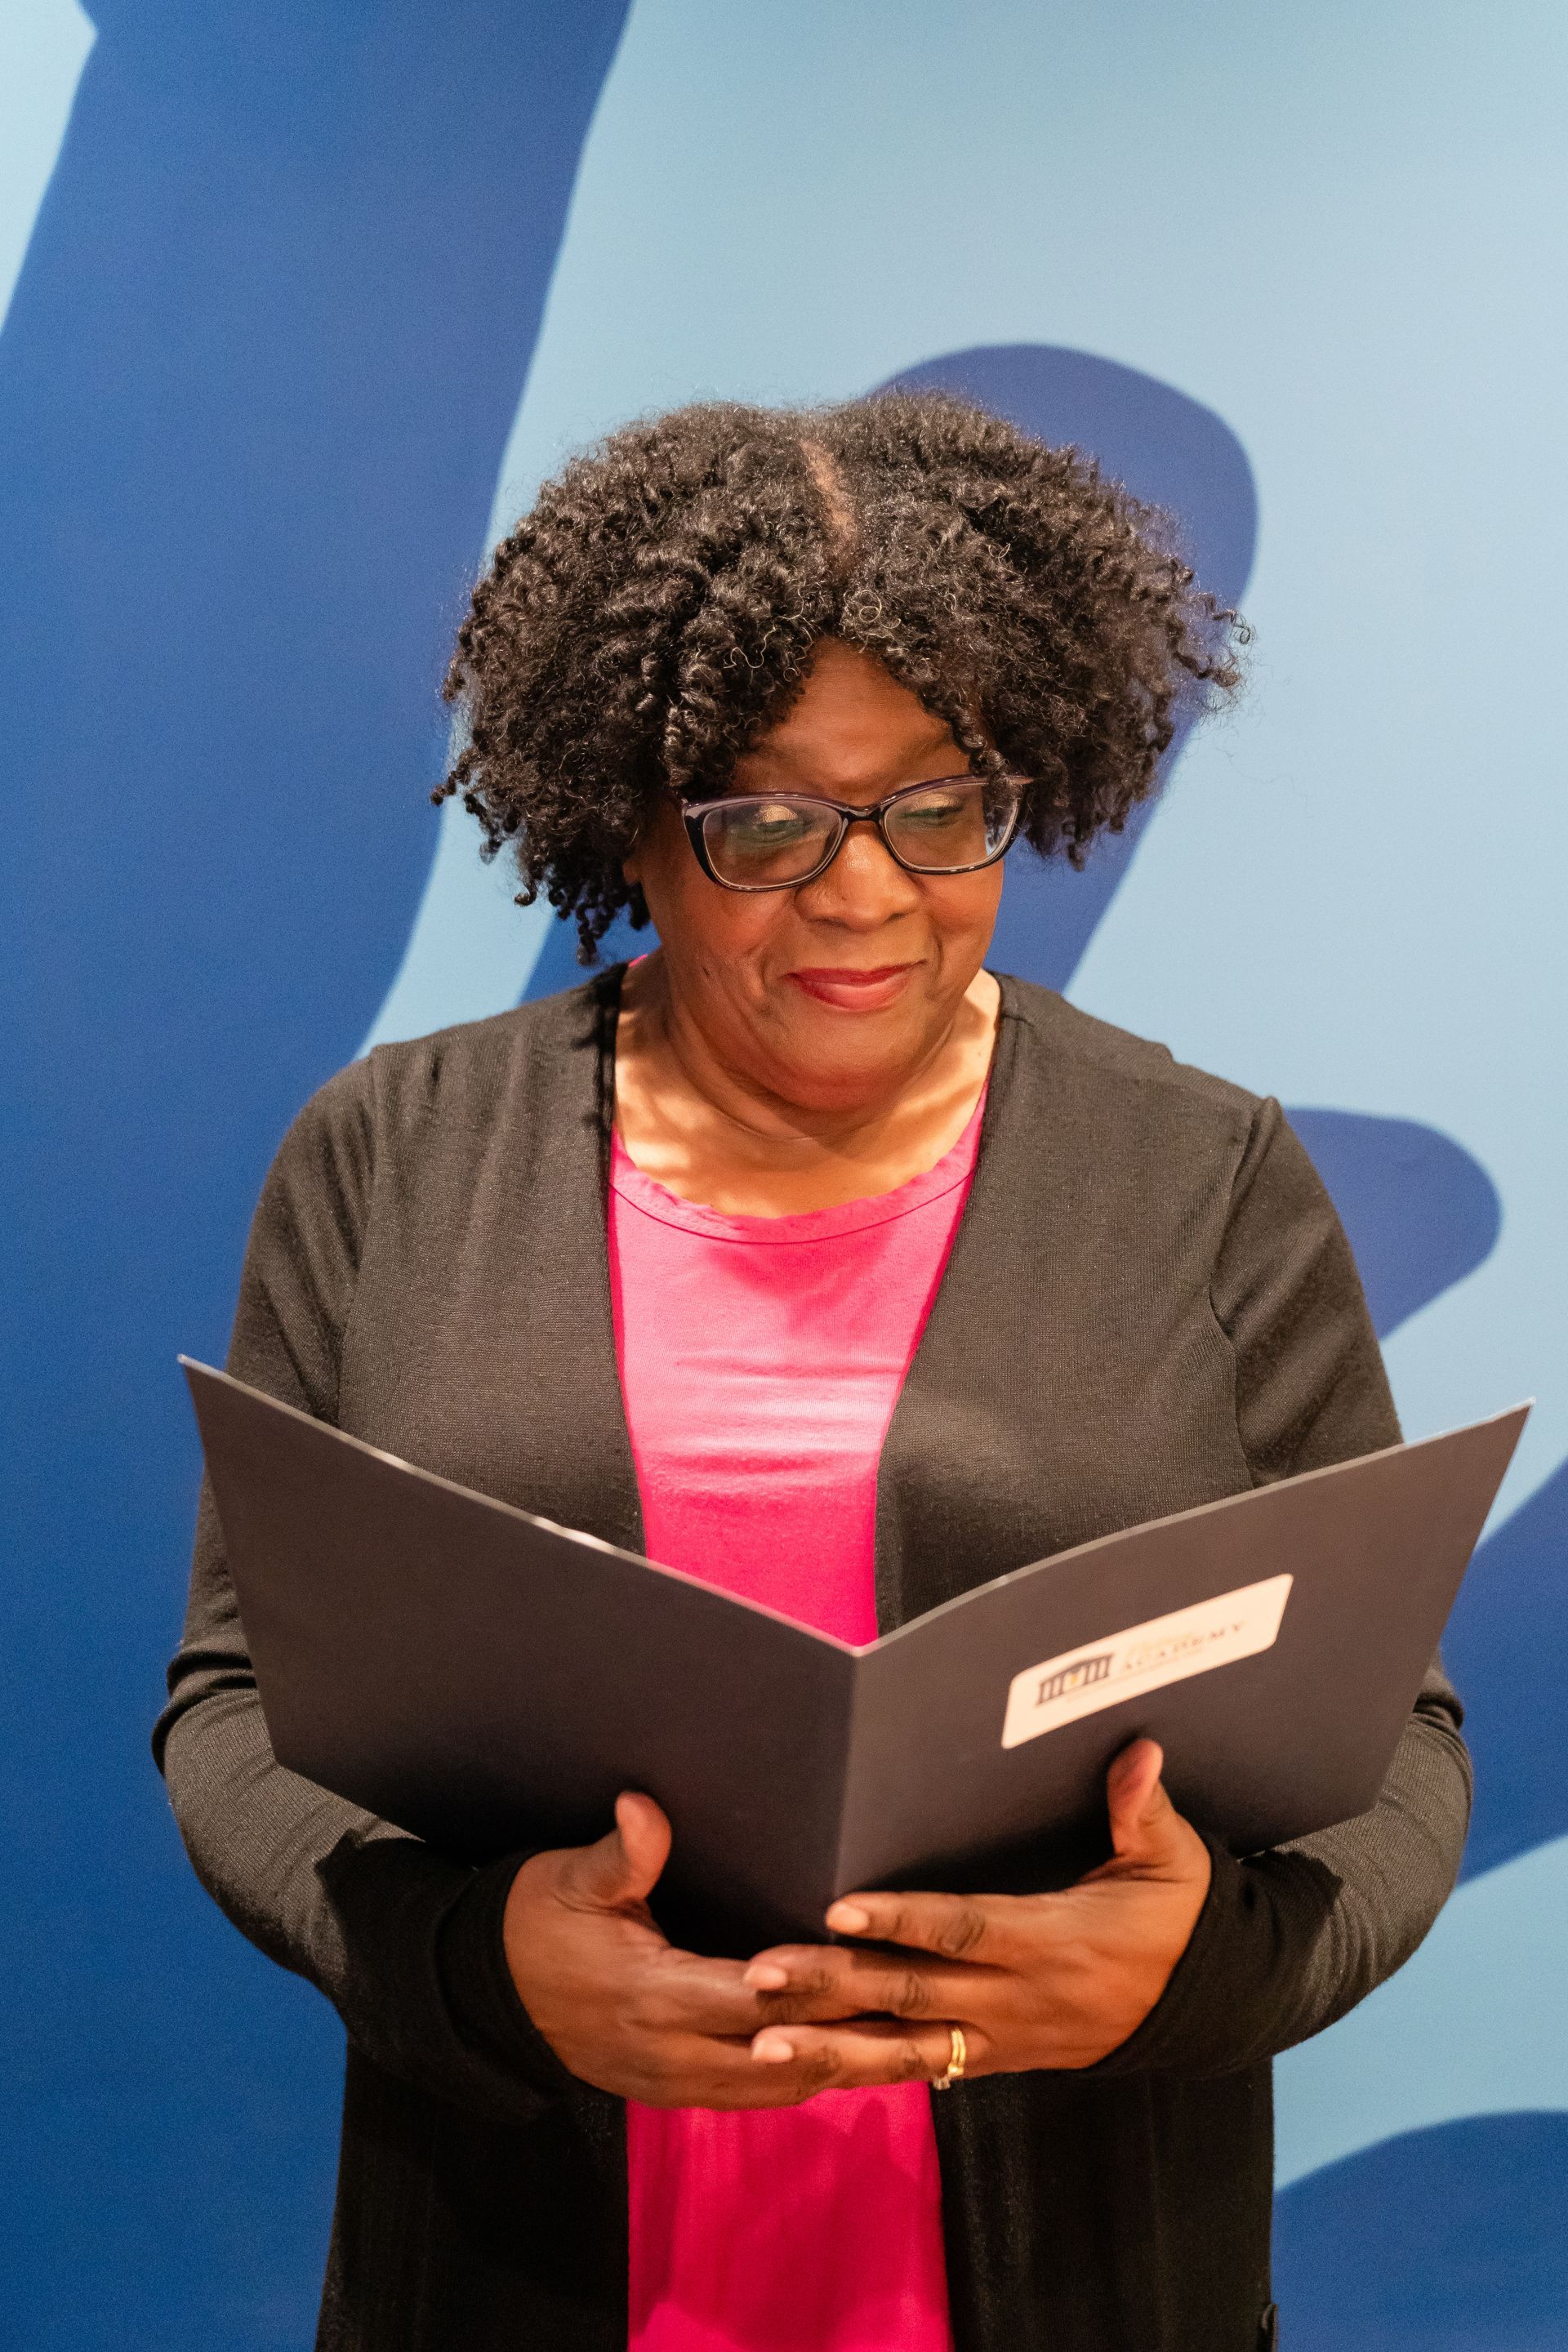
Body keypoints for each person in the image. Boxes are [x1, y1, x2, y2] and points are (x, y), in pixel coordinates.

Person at [155, 394, 1470, 2352]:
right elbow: (233, 1707)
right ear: (629, 817)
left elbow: (1396, 1760)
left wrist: (1196, 1965)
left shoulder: (1203, 1184)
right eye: (763, 819)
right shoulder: (389, 1160)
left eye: (940, 805)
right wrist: (480, 1965)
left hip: (1094, 2280)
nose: (863, 894)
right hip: (510, 2280)